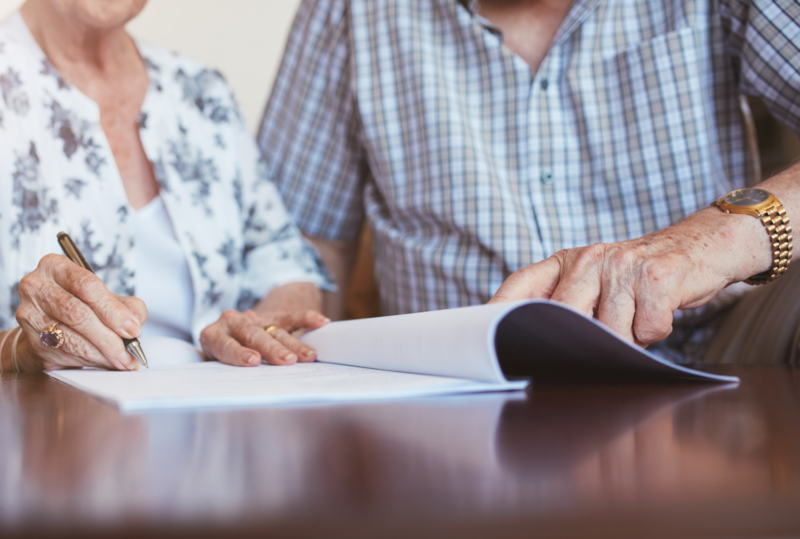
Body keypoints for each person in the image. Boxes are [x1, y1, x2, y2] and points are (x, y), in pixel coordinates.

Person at [259, 0, 800, 364]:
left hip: (717, 357)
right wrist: (285, 318)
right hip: (458, 390)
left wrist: (707, 244)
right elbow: (305, 240)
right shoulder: (347, 11)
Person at [0, 0, 333, 375]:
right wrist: (28, 353)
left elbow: (284, 260)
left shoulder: (201, 91)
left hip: (219, 436)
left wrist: (261, 327)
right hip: (41, 448)